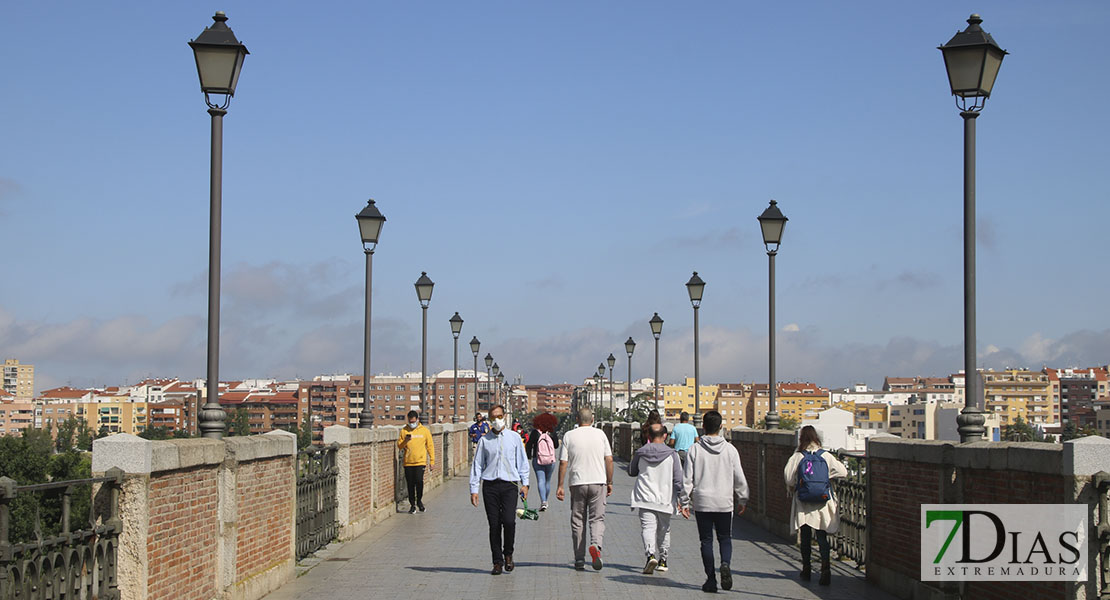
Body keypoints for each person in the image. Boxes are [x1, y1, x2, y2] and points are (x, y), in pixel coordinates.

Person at [682, 410, 748, 593]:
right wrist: (742, 497)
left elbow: (687, 479)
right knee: (725, 538)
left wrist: (684, 501)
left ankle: (711, 579)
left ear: (703, 427)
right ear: (721, 427)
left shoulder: (694, 449)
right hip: (724, 501)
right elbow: (739, 477)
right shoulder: (730, 450)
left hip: (702, 502)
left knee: (706, 541)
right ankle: (725, 563)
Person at [469, 405, 530, 575]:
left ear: (505, 417)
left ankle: (508, 554)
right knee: (494, 524)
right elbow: (477, 465)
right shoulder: (484, 440)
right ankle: (497, 561)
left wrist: (525, 484)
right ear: (489, 420)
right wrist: (474, 489)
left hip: (510, 484)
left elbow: (523, 463)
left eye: (499, 416)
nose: (497, 420)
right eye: (493, 417)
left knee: (509, 521)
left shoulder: (514, 438)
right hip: (490, 486)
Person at [784, 425, 848, 586]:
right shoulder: (825, 455)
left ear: (801, 439)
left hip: (803, 501)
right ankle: (826, 567)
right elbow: (843, 472)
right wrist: (827, 478)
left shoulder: (798, 456)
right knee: (821, 536)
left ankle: (806, 568)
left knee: (805, 536)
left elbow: (788, 477)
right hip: (822, 500)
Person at [555, 408, 613, 571]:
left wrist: (560, 485)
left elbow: (563, 462)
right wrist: (610, 481)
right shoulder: (600, 434)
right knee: (597, 518)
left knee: (578, 520)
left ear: (577, 419)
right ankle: (596, 545)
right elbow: (609, 459)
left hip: (577, 483)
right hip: (598, 482)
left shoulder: (569, 435)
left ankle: (579, 558)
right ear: (592, 420)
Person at [629, 422, 689, 574]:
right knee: (664, 530)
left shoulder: (640, 452)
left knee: (648, 528)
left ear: (648, 436)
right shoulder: (672, 455)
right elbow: (678, 480)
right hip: (665, 498)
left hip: (644, 496)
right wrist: (683, 501)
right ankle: (663, 559)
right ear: (665, 436)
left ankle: (650, 555)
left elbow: (631, 471)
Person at [397, 410, 435, 514]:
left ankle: (419, 500)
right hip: (408, 462)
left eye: (413, 421)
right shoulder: (404, 431)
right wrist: (405, 441)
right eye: (410, 421)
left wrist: (432, 461)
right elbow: (399, 446)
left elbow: (430, 446)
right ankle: (412, 504)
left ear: (417, 420)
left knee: (419, 481)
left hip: (420, 461)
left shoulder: (424, 431)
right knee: (410, 484)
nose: (412, 423)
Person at [524, 412, 560, 511]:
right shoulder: (552, 432)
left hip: (538, 459)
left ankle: (543, 501)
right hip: (550, 460)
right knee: (547, 481)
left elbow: (529, 444)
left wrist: (529, 456)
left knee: (540, 480)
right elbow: (556, 445)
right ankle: (545, 500)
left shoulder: (535, 432)